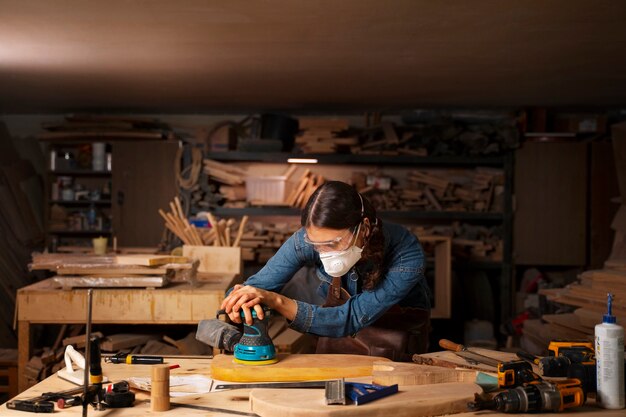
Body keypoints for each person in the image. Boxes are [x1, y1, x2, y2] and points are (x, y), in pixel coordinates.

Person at [197, 180, 431, 360]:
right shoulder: (306, 240)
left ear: (364, 229)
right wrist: (238, 302)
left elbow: (348, 318)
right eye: (316, 245)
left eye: (333, 243)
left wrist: (277, 302)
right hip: (336, 349)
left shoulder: (406, 253)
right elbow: (259, 285)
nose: (324, 252)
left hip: (395, 352)